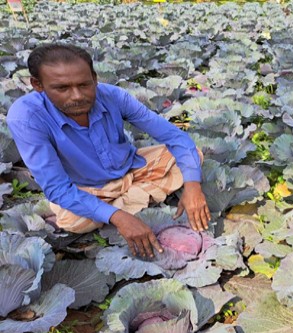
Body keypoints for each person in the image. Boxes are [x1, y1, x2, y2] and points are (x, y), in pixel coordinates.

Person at [7, 43, 210, 258]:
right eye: (62, 88)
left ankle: (119, 203)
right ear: (38, 85)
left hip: (130, 168)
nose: (77, 96)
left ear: (94, 78)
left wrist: (193, 188)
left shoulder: (113, 96)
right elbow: (57, 189)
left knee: (193, 154)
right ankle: (131, 202)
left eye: (84, 85)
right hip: (87, 188)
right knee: (71, 221)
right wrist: (120, 218)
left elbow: (173, 136)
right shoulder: (26, 117)